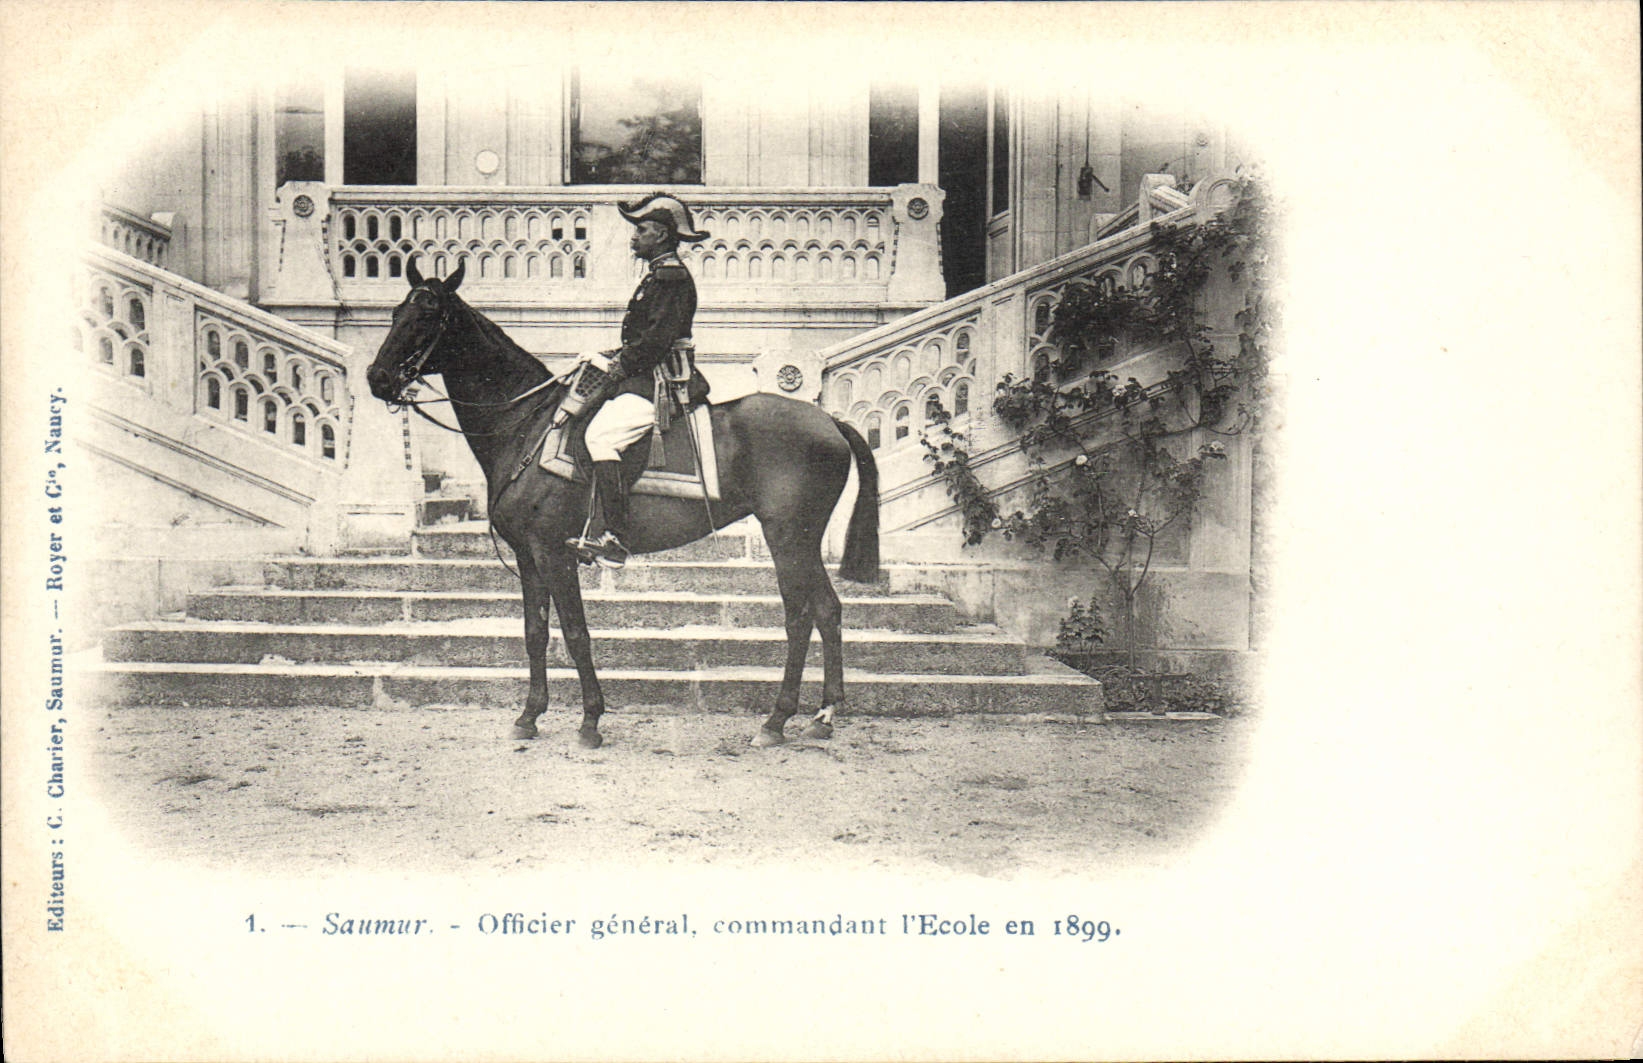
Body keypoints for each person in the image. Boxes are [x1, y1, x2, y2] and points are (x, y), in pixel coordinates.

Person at [567, 193, 710, 568]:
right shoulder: (659, 275)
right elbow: (643, 338)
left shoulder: (670, 278)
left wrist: (614, 365)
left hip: (659, 382)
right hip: (646, 374)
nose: (634, 238)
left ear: (661, 236)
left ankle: (615, 538)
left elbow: (655, 343)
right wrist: (606, 355)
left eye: (641, 230)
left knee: (599, 437)